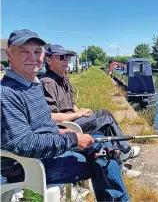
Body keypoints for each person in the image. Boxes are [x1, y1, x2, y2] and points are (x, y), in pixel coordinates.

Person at [1, 29, 130, 201]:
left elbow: (42, 126)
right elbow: (21, 143)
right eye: (24, 51)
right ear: (9, 55)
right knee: (104, 158)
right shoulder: (7, 93)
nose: (33, 57)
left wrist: (67, 133)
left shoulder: (32, 85)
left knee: (102, 143)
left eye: (37, 52)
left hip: (44, 152)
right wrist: (73, 139)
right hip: (27, 166)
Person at [40, 45, 141, 177]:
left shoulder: (64, 77)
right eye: (62, 57)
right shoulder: (47, 82)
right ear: (48, 61)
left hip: (74, 119)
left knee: (105, 118)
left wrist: (80, 110)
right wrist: (77, 114)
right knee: (105, 118)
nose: (66, 60)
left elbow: (70, 103)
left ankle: (120, 156)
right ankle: (123, 152)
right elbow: (51, 116)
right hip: (67, 126)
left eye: (68, 57)